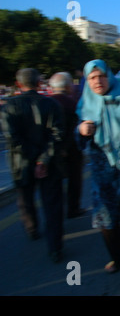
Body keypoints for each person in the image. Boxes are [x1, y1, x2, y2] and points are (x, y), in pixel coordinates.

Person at [76, 59, 120, 273]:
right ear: (87, 81)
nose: (98, 81)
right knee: (106, 217)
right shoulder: (85, 104)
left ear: (110, 76)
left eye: (102, 76)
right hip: (102, 171)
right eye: (92, 78)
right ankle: (118, 257)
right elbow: (79, 143)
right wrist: (80, 131)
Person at [1, 68, 65, 262]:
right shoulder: (51, 104)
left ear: (18, 85)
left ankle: (32, 228)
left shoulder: (9, 107)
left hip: (21, 162)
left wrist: (33, 158)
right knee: (52, 205)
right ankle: (55, 247)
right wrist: (43, 159)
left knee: (26, 199)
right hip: (49, 162)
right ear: (39, 83)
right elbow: (58, 135)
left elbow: (13, 138)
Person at [49, 72, 85, 219]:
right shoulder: (73, 105)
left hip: (51, 151)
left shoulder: (47, 103)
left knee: (54, 184)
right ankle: (73, 208)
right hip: (72, 150)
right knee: (74, 180)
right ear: (68, 86)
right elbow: (73, 130)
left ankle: (55, 212)